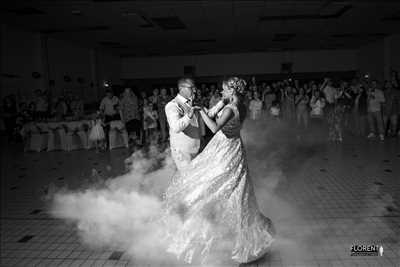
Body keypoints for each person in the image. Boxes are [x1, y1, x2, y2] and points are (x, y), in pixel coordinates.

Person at [163, 77, 275, 264]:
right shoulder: (241, 105)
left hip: (223, 146)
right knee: (230, 185)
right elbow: (208, 118)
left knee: (209, 184)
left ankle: (201, 227)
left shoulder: (231, 108)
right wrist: (210, 108)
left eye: (224, 89)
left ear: (231, 91)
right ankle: (206, 220)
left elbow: (215, 127)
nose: (221, 92)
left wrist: (199, 111)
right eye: (192, 87)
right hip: (232, 146)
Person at [165, 78, 202, 172]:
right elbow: (176, 128)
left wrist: (222, 103)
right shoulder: (173, 105)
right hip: (182, 151)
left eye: (195, 87)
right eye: (191, 87)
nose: (195, 90)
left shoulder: (192, 103)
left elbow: (207, 115)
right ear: (181, 88)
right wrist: (189, 115)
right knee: (187, 180)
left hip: (194, 147)